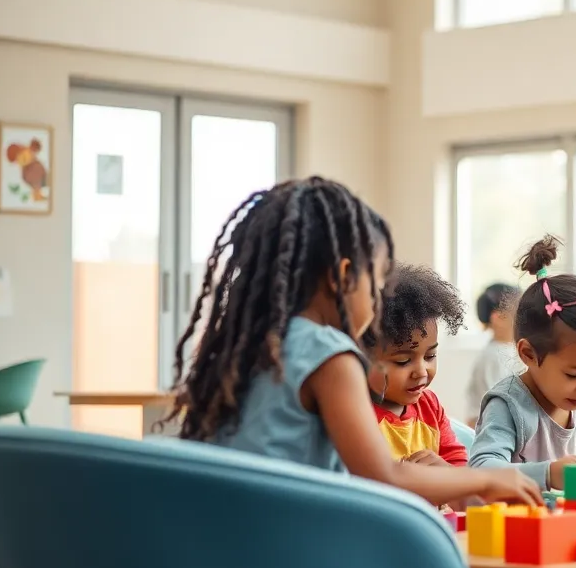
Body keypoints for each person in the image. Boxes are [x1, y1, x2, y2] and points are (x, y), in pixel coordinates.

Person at [165, 177, 540, 509]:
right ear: (343, 276)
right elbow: (383, 478)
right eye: (377, 285)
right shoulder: (329, 356)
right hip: (286, 546)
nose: (378, 301)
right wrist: (488, 478)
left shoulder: (250, 345)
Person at [469, 236, 576, 491]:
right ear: (528, 354)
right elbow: (481, 467)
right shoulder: (508, 404)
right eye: (574, 374)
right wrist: (548, 473)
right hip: (520, 525)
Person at [365, 262, 468, 468]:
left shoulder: (429, 406)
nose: (421, 372)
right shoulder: (358, 412)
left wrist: (443, 470)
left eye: (430, 356)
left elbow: (459, 466)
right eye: (403, 361)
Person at [465, 282, 520, 425]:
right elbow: (499, 407)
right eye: (519, 312)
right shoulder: (493, 357)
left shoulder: (512, 350)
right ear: (499, 318)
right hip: (488, 431)